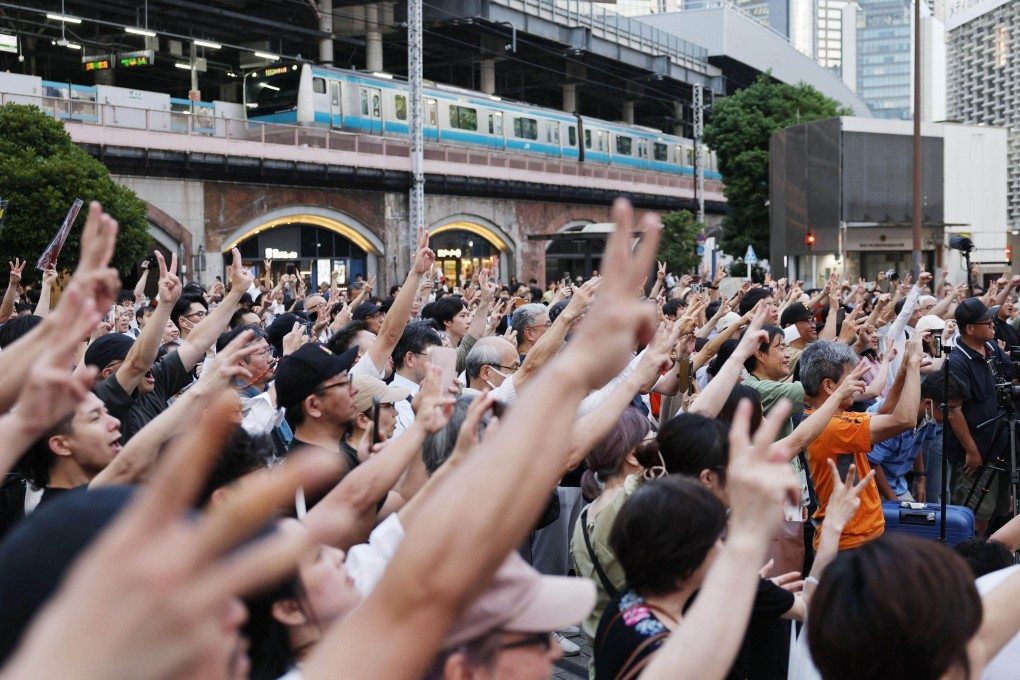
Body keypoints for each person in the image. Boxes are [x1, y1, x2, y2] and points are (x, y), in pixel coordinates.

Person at [593, 476, 728, 680]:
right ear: (686, 556)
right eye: (716, 539)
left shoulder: (625, 601)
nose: (722, 549)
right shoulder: (668, 655)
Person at [799, 334, 923, 550]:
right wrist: (913, 365)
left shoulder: (830, 417)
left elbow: (885, 412)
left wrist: (902, 371)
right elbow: (904, 420)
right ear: (828, 385)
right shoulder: (833, 426)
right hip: (850, 541)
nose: (861, 383)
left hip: (858, 536)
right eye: (852, 376)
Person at [947, 297, 1014, 536]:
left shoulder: (992, 348)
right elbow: (953, 410)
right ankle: (971, 566)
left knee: (1000, 510)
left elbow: (1011, 376)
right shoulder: (957, 362)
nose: (993, 324)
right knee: (976, 516)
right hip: (976, 454)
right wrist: (971, 451)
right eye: (988, 322)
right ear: (970, 328)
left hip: (1000, 447)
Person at [866, 371, 964, 502]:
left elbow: (916, 443)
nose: (951, 416)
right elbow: (871, 463)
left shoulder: (930, 416)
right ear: (928, 403)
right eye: (949, 410)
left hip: (896, 483)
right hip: (870, 485)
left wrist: (920, 477)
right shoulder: (894, 417)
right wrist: (894, 503)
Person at [276, 343, 360, 473]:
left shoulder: (342, 451)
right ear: (313, 405)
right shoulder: (312, 475)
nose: (355, 390)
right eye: (343, 383)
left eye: (350, 379)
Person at [389, 322, 443, 436]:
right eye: (433, 356)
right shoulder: (394, 403)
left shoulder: (433, 393)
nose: (439, 363)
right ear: (410, 359)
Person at [346, 376, 410, 459]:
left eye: (392, 404)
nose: (396, 412)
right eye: (387, 405)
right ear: (362, 420)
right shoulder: (344, 467)